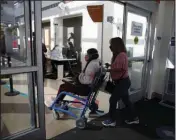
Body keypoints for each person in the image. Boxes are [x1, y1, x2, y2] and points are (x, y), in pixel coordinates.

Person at [102, 37, 139, 127]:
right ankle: (134, 118)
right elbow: (118, 65)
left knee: (113, 100)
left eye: (111, 45)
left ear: (116, 45)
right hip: (122, 82)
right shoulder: (118, 55)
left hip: (123, 82)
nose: (110, 47)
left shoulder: (121, 55)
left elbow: (121, 68)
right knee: (126, 101)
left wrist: (109, 70)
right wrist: (110, 65)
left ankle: (112, 120)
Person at [51, 48, 100, 113]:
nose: (86, 56)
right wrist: (80, 76)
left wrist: (78, 78)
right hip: (90, 87)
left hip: (84, 89)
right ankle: (61, 101)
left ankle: (57, 103)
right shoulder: (97, 62)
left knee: (63, 86)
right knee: (67, 84)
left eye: (87, 54)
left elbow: (87, 80)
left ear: (91, 55)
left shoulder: (91, 65)